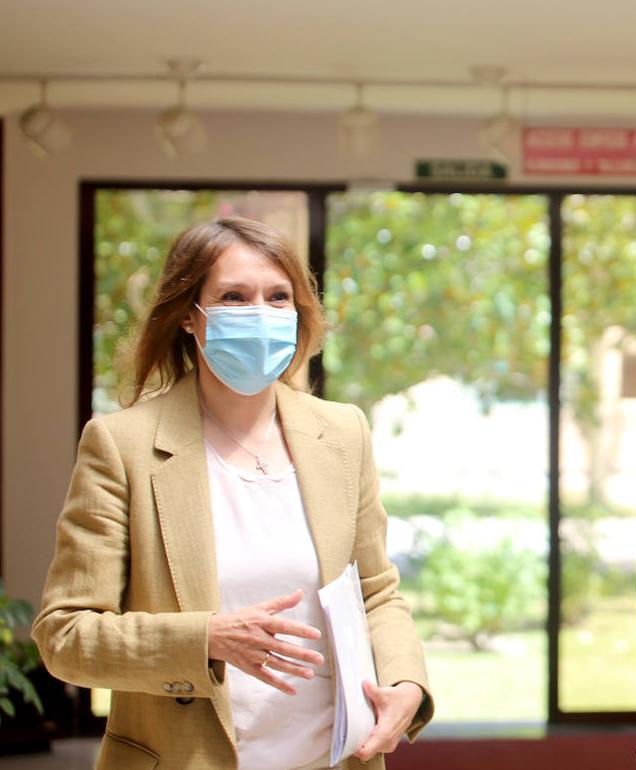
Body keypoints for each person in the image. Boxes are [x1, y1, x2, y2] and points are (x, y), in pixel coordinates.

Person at [33, 218, 434, 769]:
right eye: (233, 297)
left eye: (278, 297)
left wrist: (406, 681)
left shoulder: (341, 434)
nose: (261, 315)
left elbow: (376, 593)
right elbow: (66, 636)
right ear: (188, 318)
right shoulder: (120, 445)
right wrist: (208, 638)